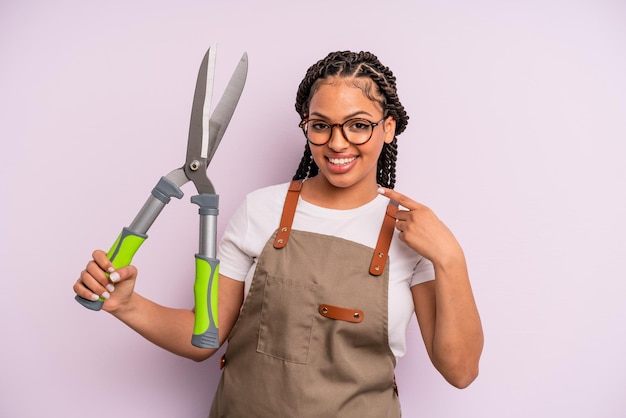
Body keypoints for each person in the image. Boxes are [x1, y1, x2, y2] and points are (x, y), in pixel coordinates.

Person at [74, 50, 484, 417]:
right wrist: (126, 305)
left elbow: (461, 371)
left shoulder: (414, 233)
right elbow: (204, 338)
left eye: (358, 125)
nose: (337, 143)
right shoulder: (261, 210)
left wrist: (450, 257)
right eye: (321, 125)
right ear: (306, 128)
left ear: (388, 128)